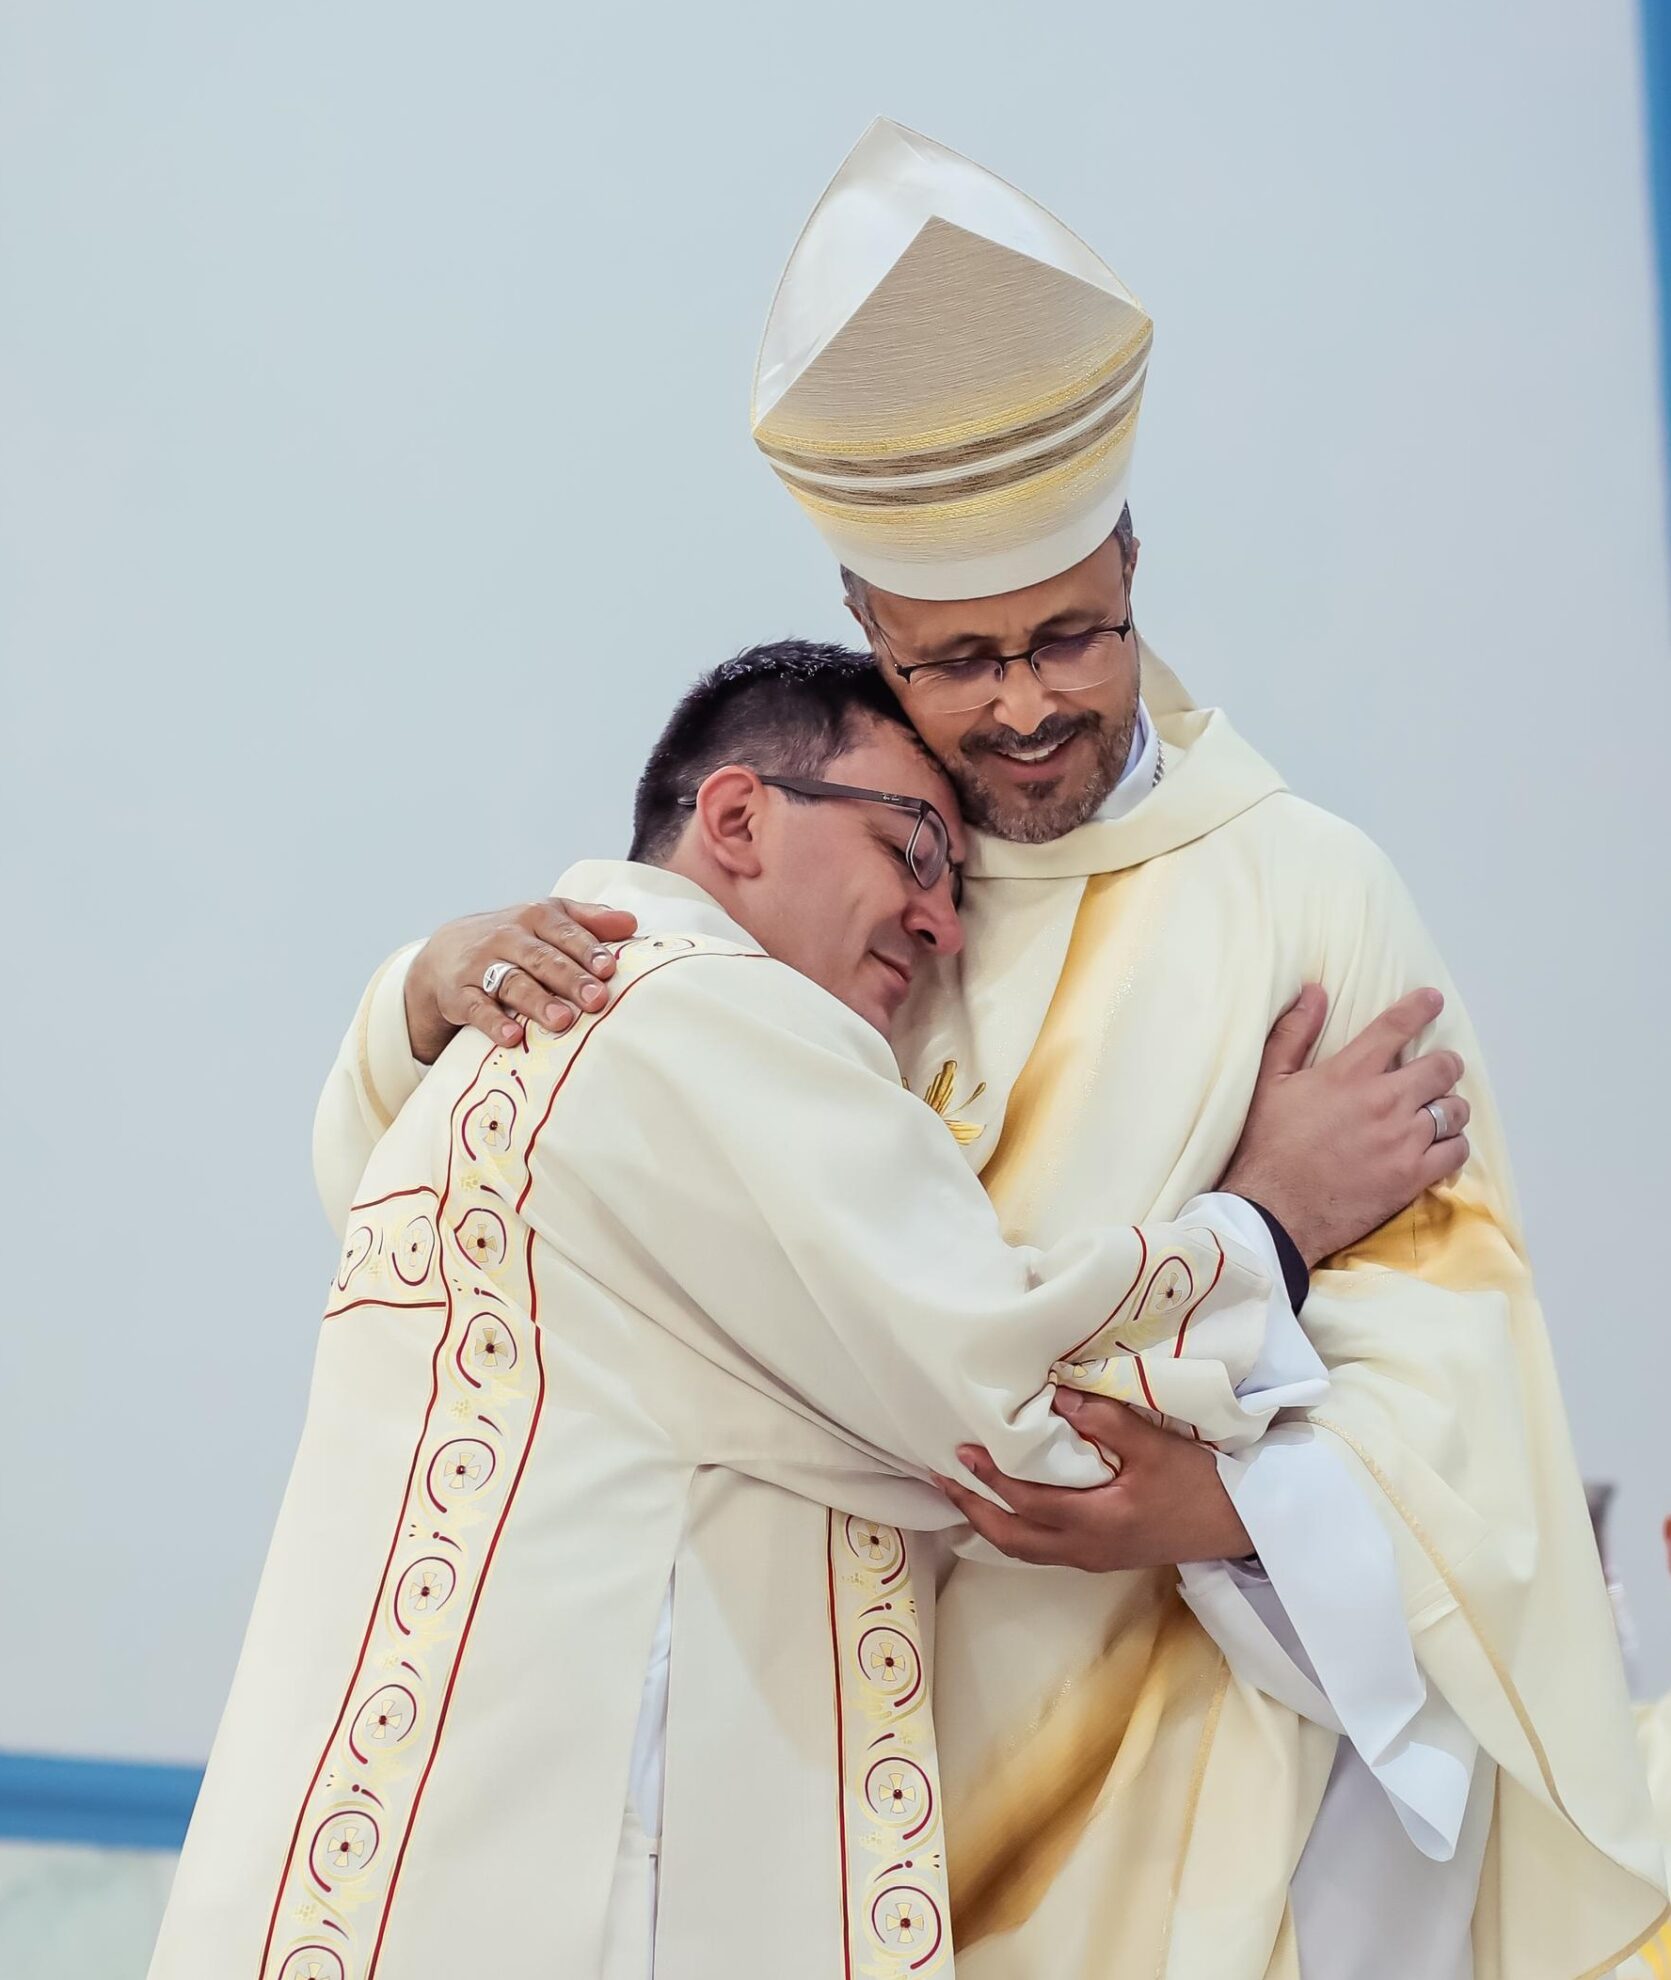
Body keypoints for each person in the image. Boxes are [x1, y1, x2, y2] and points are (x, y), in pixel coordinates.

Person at [317, 122, 1667, 1976]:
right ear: (870, 635)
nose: (1029, 703)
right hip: (814, 1760)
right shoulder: (840, 887)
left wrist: (1229, 1511)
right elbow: (538, 1187)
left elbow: (1461, 1374)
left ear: (1131, 564)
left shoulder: (1306, 895)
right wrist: (429, 984)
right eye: (962, 661)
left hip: (1187, 1753)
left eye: (1073, 636)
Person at [150, 650, 1455, 1980]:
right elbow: (1009, 1396)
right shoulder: (701, 1009)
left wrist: (409, 991)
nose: (940, 923)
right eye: (913, 850)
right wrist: (1269, 1219)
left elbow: (346, 1142)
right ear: (736, 819)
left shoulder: (497, 1042)